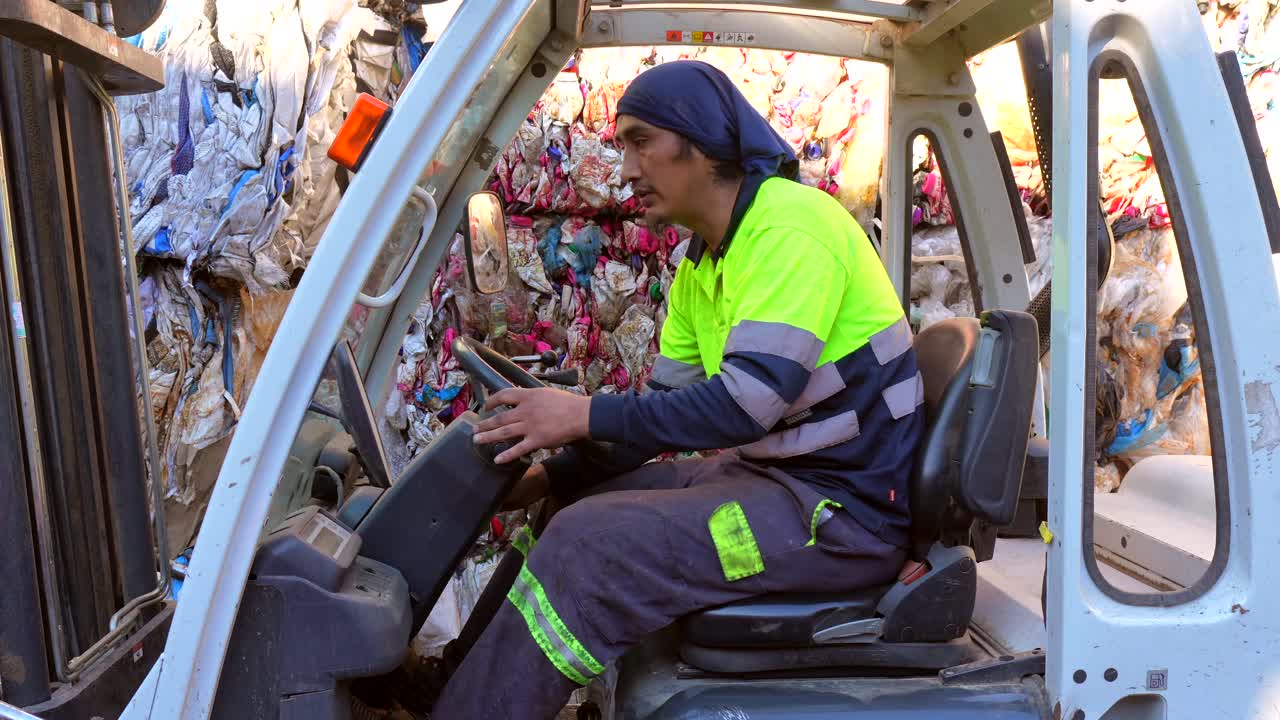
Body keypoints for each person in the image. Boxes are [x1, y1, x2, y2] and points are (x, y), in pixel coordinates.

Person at [431, 60, 924, 719]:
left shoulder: (789, 231)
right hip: (776, 483)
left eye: (639, 141)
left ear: (696, 139)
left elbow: (745, 406)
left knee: (588, 548)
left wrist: (581, 413)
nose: (625, 169)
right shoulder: (702, 261)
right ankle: (446, 684)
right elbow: (663, 420)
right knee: (571, 505)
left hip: (837, 518)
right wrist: (539, 480)